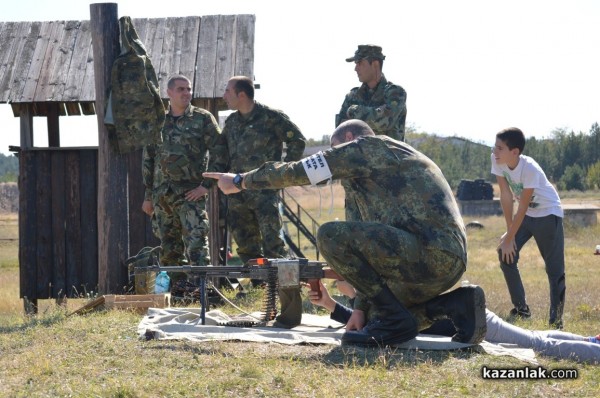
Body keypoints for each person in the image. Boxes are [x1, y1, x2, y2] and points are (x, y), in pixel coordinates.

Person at [204, 119, 486, 347]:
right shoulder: (366, 184)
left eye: (337, 150)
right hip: (437, 262)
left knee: (329, 235)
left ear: (350, 138)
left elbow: (301, 170)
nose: (336, 161)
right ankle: (455, 304)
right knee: (376, 316)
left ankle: (395, 320)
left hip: (429, 252)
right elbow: (366, 256)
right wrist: (361, 309)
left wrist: (241, 181)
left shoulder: (369, 147)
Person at [308, 280, 600, 364]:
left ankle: (594, 350)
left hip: (476, 322)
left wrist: (342, 298)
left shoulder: (380, 298)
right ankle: (590, 341)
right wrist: (330, 304)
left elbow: (362, 321)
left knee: (537, 343)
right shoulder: (377, 304)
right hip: (472, 319)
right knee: (534, 336)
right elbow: (362, 326)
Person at [220, 75, 307, 327]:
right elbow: (223, 151)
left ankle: (286, 296)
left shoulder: (271, 117)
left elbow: (297, 140)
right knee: (246, 245)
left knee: (274, 245)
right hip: (238, 193)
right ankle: (262, 294)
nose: (224, 95)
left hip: (265, 191)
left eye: (228, 91)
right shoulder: (232, 122)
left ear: (242, 95)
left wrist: (283, 173)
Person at [142, 74, 226, 280]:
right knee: (169, 248)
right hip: (163, 196)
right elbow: (148, 159)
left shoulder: (203, 118)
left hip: (191, 194)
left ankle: (203, 291)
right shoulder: (158, 121)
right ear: (169, 92)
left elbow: (221, 152)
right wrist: (148, 195)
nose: (187, 93)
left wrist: (206, 186)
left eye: (188, 89)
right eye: (181, 89)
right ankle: (178, 292)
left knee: (196, 243)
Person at [492, 127, 566, 329]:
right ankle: (521, 309)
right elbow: (506, 196)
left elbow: (523, 206)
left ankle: (556, 320)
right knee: (505, 254)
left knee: (554, 268)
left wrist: (510, 237)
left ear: (514, 152)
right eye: (494, 146)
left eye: (499, 148)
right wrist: (509, 234)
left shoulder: (530, 169)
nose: (494, 151)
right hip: (527, 215)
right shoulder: (498, 161)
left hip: (548, 214)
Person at [336, 45, 407, 141]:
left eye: (359, 63)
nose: (356, 68)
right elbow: (340, 132)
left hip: (388, 155)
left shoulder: (395, 93)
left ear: (375, 65)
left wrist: (355, 111)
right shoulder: (352, 96)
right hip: (358, 156)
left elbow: (384, 121)